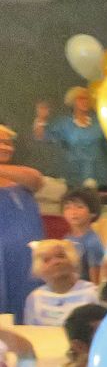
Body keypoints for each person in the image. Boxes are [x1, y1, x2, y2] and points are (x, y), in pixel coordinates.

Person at [0, 124, 45, 322]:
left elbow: (35, 179)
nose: (6, 147)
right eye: (0, 142)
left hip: (25, 258)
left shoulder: (21, 177)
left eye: (8, 143)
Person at [30, 86, 107, 189]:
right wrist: (41, 118)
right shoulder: (63, 124)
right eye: (80, 98)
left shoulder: (99, 122)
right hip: (75, 176)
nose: (84, 101)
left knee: (105, 203)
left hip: (101, 175)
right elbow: (42, 137)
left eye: (86, 98)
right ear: (72, 102)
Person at [21, 239, 98, 327]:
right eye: (47, 260)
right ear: (40, 268)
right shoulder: (34, 298)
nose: (56, 262)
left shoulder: (92, 293)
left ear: (72, 261)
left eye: (61, 256)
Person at [59, 187, 106, 282]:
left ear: (93, 212)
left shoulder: (92, 242)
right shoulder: (67, 238)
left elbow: (95, 279)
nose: (73, 212)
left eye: (79, 207)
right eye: (67, 207)